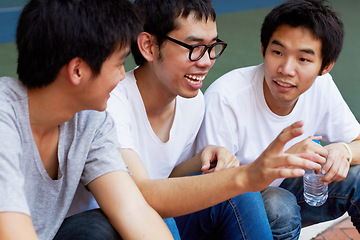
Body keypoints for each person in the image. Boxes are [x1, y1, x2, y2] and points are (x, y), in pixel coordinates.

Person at [69, 0, 325, 239]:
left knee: (239, 195)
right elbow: (138, 195)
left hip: (151, 214)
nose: (206, 61)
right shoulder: (111, 103)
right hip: (101, 225)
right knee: (166, 212)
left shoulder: (193, 102)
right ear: (148, 46)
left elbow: (168, 177)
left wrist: (204, 156)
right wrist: (246, 176)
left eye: (212, 47)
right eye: (194, 48)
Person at [0, 0, 175, 239]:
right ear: (77, 71)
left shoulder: (91, 121)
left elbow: (134, 212)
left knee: (112, 224)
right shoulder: (4, 118)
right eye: (119, 63)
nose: (123, 75)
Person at [196, 0, 360, 239]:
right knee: (277, 205)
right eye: (278, 52)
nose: (286, 69)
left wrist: (343, 151)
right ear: (263, 49)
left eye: (303, 59)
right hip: (238, 208)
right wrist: (283, 161)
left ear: (325, 66)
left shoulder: (322, 86)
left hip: (291, 189)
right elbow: (212, 193)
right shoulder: (226, 98)